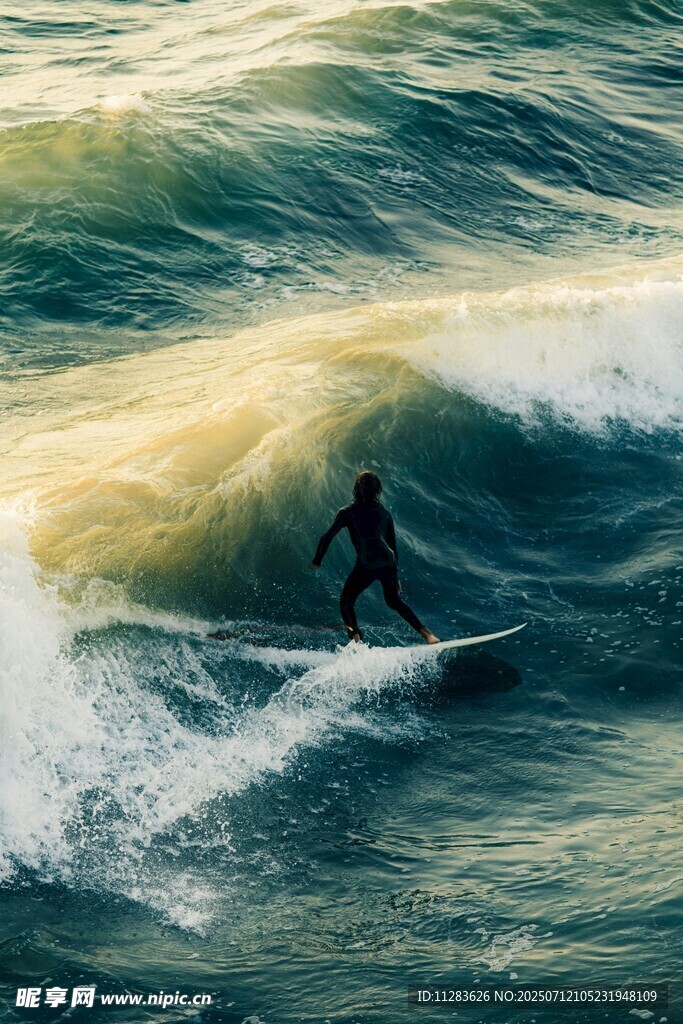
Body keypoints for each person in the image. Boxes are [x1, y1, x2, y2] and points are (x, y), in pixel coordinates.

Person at [309, 471, 439, 644]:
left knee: (346, 601)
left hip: (367, 564)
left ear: (356, 489)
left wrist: (317, 561)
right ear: (377, 490)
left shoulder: (346, 512)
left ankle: (356, 638)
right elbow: (393, 546)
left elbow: (326, 537)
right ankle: (427, 634)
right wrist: (395, 576)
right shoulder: (384, 513)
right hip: (388, 561)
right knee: (394, 601)